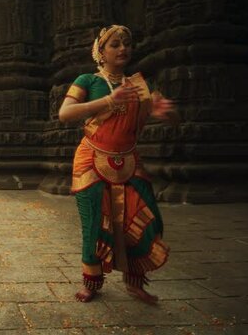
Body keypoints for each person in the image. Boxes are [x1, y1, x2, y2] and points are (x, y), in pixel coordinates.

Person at [58, 25, 177, 304]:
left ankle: (134, 281)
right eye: (115, 44)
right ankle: (92, 281)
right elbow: (65, 113)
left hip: (129, 159)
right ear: (101, 52)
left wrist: (167, 112)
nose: (123, 48)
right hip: (91, 158)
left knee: (149, 220)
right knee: (94, 224)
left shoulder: (141, 85)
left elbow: (172, 117)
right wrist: (108, 100)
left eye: (127, 43)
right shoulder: (87, 80)